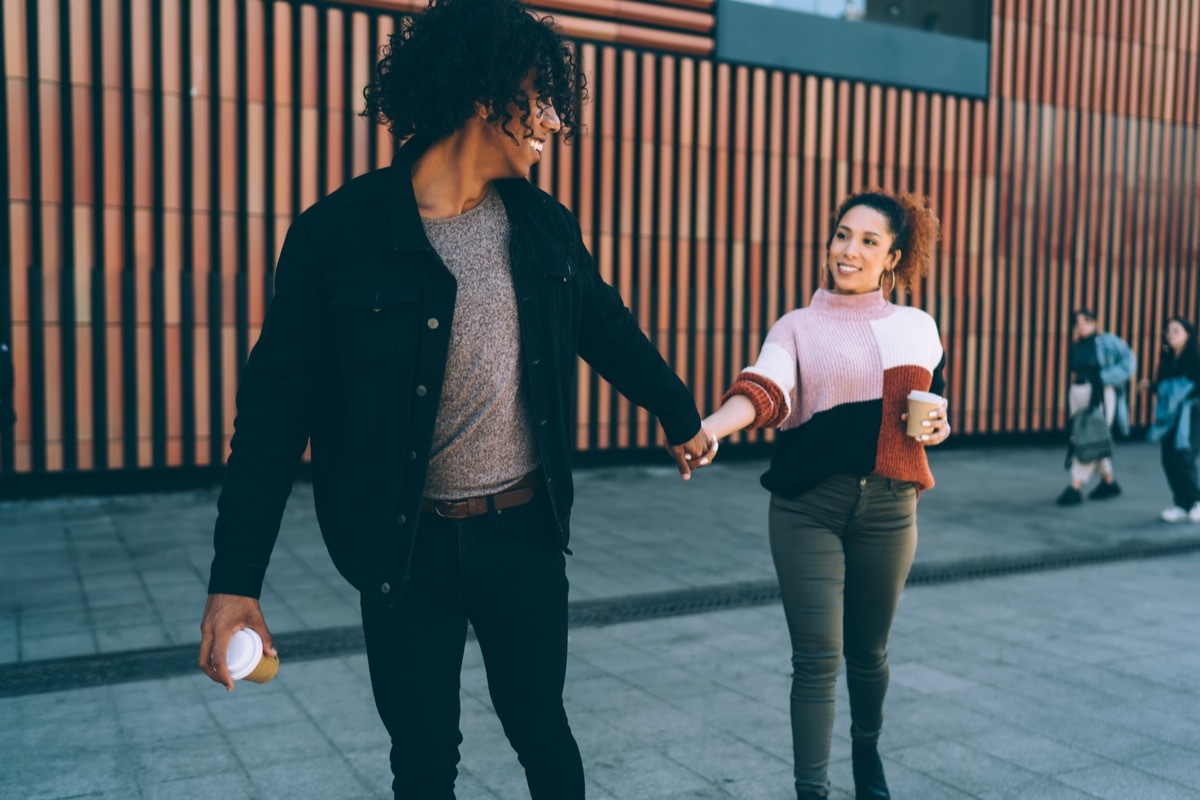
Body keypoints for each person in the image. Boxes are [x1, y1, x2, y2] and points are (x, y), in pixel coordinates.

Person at [195, 1, 715, 797]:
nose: (555, 122)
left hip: (525, 537)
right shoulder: (338, 234)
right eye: (542, 98)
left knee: (543, 732)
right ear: (484, 94)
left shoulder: (543, 224)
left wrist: (678, 413)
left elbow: (607, 328)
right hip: (407, 552)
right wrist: (235, 583)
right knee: (425, 758)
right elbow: (271, 418)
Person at [699, 190, 949, 800]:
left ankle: (868, 748)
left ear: (893, 257)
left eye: (868, 240)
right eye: (842, 234)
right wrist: (711, 427)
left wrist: (939, 428)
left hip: (891, 509)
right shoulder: (796, 327)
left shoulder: (920, 329)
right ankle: (811, 790)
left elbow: (929, 412)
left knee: (869, 653)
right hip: (806, 509)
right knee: (816, 659)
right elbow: (764, 390)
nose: (849, 249)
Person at [1056, 309, 1136, 505]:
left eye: (1086, 321)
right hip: (1078, 391)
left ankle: (1076, 484)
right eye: (1078, 322)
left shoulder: (1106, 341)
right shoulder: (1076, 344)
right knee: (1086, 434)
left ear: (1095, 323)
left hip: (1100, 393)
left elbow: (1129, 362)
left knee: (1089, 435)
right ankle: (1108, 481)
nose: (1082, 325)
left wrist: (1104, 377)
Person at [1144, 317, 1200, 522]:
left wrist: (1177, 390)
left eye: (1176, 330)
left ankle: (1196, 501)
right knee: (1168, 459)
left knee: (1183, 458)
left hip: (1192, 415)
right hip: (1170, 416)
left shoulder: (1194, 358)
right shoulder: (1167, 359)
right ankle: (1181, 504)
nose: (1170, 334)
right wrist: (1152, 387)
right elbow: (1165, 387)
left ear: (1188, 335)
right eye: (1168, 331)